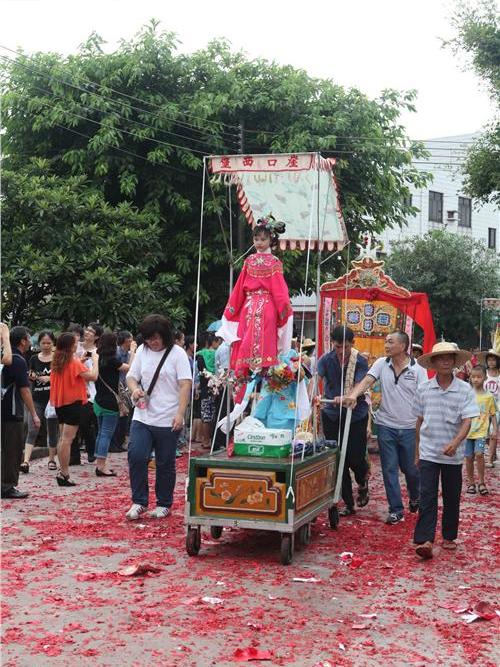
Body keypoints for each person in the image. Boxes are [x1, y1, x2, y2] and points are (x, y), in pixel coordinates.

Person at [344, 330, 428, 524]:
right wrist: (353, 395)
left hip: (409, 428)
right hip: (385, 425)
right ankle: (396, 510)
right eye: (386, 341)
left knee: (411, 469)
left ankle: (415, 497)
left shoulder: (418, 370)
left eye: (390, 342)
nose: (387, 345)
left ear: (403, 346)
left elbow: (425, 398)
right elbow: (366, 381)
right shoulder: (382, 363)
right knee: (389, 468)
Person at [412, 342, 479, 559]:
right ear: (433, 362)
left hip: (454, 454)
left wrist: (456, 442)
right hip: (429, 451)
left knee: (452, 496)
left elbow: (468, 420)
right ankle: (425, 539)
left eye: (449, 357)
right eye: (441, 358)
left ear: (455, 362)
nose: (445, 361)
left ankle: (449, 535)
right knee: (427, 495)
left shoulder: (464, 389)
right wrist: (416, 453)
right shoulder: (424, 389)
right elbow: (419, 422)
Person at [125, 314, 192, 520]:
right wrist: (135, 389)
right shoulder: (143, 352)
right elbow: (131, 377)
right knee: (136, 455)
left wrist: (180, 413)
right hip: (143, 415)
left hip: (168, 417)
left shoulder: (177, 354)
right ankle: (139, 501)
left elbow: (185, 384)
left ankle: (163, 503)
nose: (153, 342)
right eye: (149, 338)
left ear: (166, 336)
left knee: (164, 462)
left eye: (157, 338)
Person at [216, 215, 293, 378]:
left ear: (270, 240)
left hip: (256, 307)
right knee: (257, 343)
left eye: (263, 239)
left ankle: (254, 377)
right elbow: (279, 293)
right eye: (256, 238)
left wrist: (231, 309)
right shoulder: (255, 261)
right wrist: (285, 311)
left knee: (249, 343)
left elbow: (278, 292)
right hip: (258, 307)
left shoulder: (269, 262)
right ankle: (258, 375)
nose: (259, 242)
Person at [317, 325, 370, 516]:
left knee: (355, 457)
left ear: (352, 344)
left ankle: (363, 480)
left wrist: (348, 396)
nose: (342, 351)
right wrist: (312, 397)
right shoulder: (325, 359)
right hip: (331, 413)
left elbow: (359, 383)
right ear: (333, 344)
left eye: (346, 347)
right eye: (338, 347)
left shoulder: (360, 361)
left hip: (355, 414)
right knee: (338, 458)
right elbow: (316, 379)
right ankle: (348, 503)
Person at [50, 333, 98, 486]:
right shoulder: (73, 362)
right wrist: (95, 360)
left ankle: (62, 471)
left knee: (62, 438)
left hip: (60, 403)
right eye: (76, 342)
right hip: (73, 404)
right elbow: (93, 376)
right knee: (67, 440)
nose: (78, 344)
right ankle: (64, 473)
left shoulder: (57, 360)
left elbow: (71, 373)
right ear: (71, 346)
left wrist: (81, 361)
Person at [1, 327, 41, 498]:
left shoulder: (8, 359)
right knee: (12, 449)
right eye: (29, 337)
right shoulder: (17, 360)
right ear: (23, 341)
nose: (31, 341)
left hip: (5, 410)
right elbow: (24, 390)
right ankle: (7, 486)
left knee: (6, 448)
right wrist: (34, 413)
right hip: (12, 411)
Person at [93, 332, 133, 477]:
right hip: (110, 402)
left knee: (100, 433)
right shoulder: (112, 360)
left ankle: (100, 462)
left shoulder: (98, 358)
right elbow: (130, 368)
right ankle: (101, 466)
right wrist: (133, 352)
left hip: (98, 400)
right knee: (106, 434)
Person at [21, 330, 59, 473]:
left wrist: (50, 379)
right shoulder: (34, 359)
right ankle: (25, 461)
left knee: (52, 430)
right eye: (43, 343)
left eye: (49, 343)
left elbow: (62, 376)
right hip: (36, 398)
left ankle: (51, 459)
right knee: (32, 429)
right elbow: (29, 375)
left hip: (53, 399)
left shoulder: (57, 358)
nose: (46, 345)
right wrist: (32, 376)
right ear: (39, 343)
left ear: (53, 343)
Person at [464, 365, 496, 496]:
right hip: (467, 432)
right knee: (469, 457)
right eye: (473, 377)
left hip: (481, 432)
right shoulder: (467, 394)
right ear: (470, 378)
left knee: (479, 454)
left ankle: (482, 482)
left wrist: (495, 430)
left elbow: (493, 414)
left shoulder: (489, 396)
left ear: (485, 378)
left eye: (479, 377)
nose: (476, 379)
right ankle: (471, 483)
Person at [109, 330, 136, 453]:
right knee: (120, 416)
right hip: (118, 387)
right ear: (125, 340)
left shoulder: (126, 352)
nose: (132, 341)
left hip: (125, 388)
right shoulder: (118, 353)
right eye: (130, 339)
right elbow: (128, 368)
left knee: (124, 416)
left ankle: (119, 442)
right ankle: (114, 444)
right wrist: (133, 352)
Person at [477, 349, 500, 467]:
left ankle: (489, 460)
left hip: (497, 407)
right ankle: (492, 451)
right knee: (483, 432)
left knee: (492, 432)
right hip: (483, 406)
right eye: (489, 360)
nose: (491, 362)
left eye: (494, 359)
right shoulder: (483, 373)